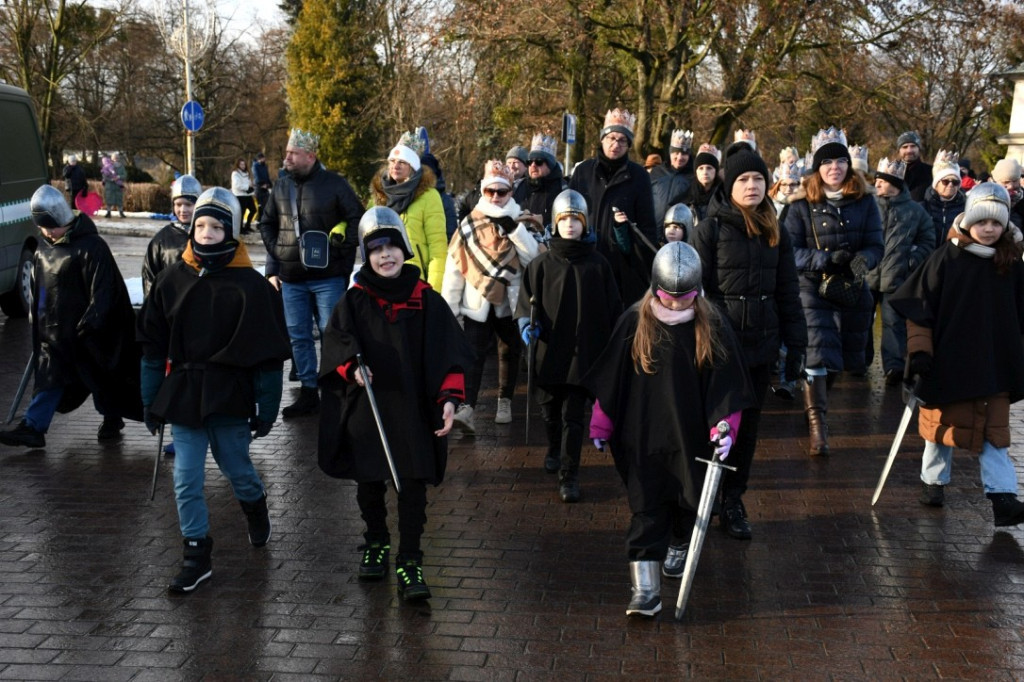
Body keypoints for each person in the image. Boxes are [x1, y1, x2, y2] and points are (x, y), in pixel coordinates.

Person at [582, 241, 755, 617]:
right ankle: (645, 590)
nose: (676, 304)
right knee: (645, 507)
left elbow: (728, 385)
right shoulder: (634, 321)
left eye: (685, 297)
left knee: (685, 504)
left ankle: (679, 541)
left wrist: (726, 424)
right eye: (668, 296)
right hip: (641, 436)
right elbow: (612, 379)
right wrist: (602, 420)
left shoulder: (713, 324)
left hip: (691, 435)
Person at [138, 187, 291, 593]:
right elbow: (153, 348)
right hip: (186, 391)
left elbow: (267, 356)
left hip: (229, 392)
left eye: (216, 226)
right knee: (186, 478)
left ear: (232, 231)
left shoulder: (251, 286)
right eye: (200, 224)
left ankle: (255, 506)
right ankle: (196, 553)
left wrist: (267, 407)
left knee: (237, 470)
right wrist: (150, 400)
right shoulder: (173, 278)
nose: (205, 232)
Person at [317, 207, 473, 602]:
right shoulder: (354, 300)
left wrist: (450, 399)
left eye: (391, 248)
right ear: (366, 256)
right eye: (376, 250)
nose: (385, 256)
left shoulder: (427, 301)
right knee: (370, 483)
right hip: (369, 410)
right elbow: (338, 343)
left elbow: (451, 353)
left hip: (415, 411)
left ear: (404, 250)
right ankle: (376, 541)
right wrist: (351, 367)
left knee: (412, 487)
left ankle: (410, 559)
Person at [690, 142, 807, 542]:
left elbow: (788, 290)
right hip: (721, 345)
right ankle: (699, 497)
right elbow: (695, 290)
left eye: (759, 178)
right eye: (744, 179)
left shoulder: (776, 228)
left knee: (750, 430)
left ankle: (733, 500)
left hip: (762, 344)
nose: (752, 186)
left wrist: (797, 344)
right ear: (729, 183)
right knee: (717, 426)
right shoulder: (710, 228)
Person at [889, 183, 1024, 527]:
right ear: (968, 221)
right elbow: (920, 311)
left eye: (996, 223)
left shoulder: (1012, 264)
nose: (989, 229)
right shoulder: (945, 259)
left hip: (994, 365)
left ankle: (1004, 498)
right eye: (983, 221)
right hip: (948, 362)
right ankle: (933, 482)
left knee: (994, 434)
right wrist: (919, 352)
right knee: (940, 430)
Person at [0, 185, 141, 448]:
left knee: (104, 379)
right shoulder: (43, 250)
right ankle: (33, 426)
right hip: (55, 336)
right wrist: (38, 324)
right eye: (43, 227)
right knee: (51, 378)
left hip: (88, 333)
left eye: (52, 225)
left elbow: (105, 289)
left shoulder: (92, 248)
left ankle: (112, 417)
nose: (48, 232)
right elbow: (39, 291)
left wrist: (91, 323)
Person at [517, 189, 622, 501]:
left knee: (573, 418)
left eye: (576, 220)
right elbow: (525, 302)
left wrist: (610, 344)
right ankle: (553, 448)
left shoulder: (598, 265)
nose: (571, 226)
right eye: (564, 220)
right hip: (549, 352)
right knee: (550, 411)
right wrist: (526, 324)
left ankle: (569, 475)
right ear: (555, 223)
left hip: (582, 355)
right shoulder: (540, 265)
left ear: (585, 223)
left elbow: (613, 307)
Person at [784, 127, 883, 456]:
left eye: (841, 161)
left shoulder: (866, 201)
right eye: (828, 163)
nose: (835, 168)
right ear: (818, 168)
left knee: (842, 356)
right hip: (812, 287)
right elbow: (791, 251)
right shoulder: (800, 205)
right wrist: (824, 258)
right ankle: (818, 427)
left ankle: (816, 401)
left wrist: (859, 263)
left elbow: (875, 245)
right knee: (817, 354)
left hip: (851, 287)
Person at [259, 128, 365, 418]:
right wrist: (277, 258)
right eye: (287, 152)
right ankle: (308, 391)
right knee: (298, 337)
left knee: (333, 333)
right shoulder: (281, 187)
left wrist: (342, 258)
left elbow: (356, 217)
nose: (287, 157)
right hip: (291, 279)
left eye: (293, 153)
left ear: (310, 155)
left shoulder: (335, 184)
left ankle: (335, 389)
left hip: (328, 278)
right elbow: (266, 224)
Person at [443, 160, 540, 434]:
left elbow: (534, 259)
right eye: (490, 192)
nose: (496, 197)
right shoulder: (469, 223)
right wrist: (448, 310)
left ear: (511, 192)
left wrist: (515, 231)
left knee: (509, 352)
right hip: (477, 302)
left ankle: (505, 402)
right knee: (472, 355)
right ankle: (468, 408)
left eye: (502, 192)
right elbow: (455, 267)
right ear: (483, 191)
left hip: (511, 302)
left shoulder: (522, 220)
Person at [568, 108, 658, 304]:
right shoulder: (583, 172)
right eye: (611, 138)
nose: (615, 144)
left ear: (628, 145)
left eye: (622, 140)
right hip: (583, 261)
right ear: (602, 139)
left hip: (620, 270)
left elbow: (647, 226)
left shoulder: (639, 176)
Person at [865, 157, 935, 385]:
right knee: (862, 319)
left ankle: (893, 367)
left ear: (894, 183)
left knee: (893, 323)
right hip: (867, 275)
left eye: (881, 181)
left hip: (896, 277)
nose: (876, 184)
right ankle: (858, 362)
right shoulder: (868, 205)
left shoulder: (915, 211)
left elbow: (928, 239)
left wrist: (910, 262)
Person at [369, 130, 448, 290]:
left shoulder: (429, 196)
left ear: (412, 166)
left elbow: (437, 249)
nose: (395, 166)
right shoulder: (379, 196)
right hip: (383, 279)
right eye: (392, 161)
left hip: (416, 281)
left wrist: (433, 291)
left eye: (402, 162)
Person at [141, 175, 202, 298]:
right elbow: (150, 278)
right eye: (178, 204)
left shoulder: (208, 236)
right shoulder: (161, 240)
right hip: (169, 308)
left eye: (188, 204)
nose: (183, 209)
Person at [513, 132, 566, 233]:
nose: (533, 165)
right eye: (529, 161)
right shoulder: (516, 187)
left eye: (539, 162)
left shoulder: (563, 189)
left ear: (550, 165)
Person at [920, 150, 966, 247]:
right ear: (936, 183)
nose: (950, 185)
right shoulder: (921, 208)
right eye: (945, 181)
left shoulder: (966, 210)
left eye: (955, 182)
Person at [651, 129, 694, 224]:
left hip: (678, 230)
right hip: (653, 227)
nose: (679, 157)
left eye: (684, 154)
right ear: (670, 153)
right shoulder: (657, 172)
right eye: (676, 153)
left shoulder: (693, 177)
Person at [685, 144, 722, 222]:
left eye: (709, 168)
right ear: (696, 172)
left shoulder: (724, 198)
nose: (705, 172)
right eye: (701, 168)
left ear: (716, 171)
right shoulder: (685, 199)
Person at [896, 131, 932, 201]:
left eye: (913, 146)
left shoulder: (930, 172)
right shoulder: (890, 172)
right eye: (905, 147)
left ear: (919, 148)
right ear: (899, 150)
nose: (909, 150)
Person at [990, 157, 1024, 229]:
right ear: (996, 181)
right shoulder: (987, 201)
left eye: (1015, 181)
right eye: (1005, 182)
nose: (1011, 186)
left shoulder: (1022, 201)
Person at [231, 157, 257, 234]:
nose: (243, 166)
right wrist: (247, 186)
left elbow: (249, 183)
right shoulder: (235, 173)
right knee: (241, 213)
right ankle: (240, 229)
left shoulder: (246, 173)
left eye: (244, 164)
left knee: (253, 210)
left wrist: (251, 187)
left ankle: (247, 226)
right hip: (239, 195)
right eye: (241, 164)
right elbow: (237, 185)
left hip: (247, 195)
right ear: (238, 165)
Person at [101, 152, 126, 217]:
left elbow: (125, 175)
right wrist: (111, 179)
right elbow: (104, 176)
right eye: (114, 158)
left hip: (118, 186)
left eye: (117, 158)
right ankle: (108, 212)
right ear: (111, 158)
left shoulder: (121, 166)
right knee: (109, 199)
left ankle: (121, 212)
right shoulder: (107, 166)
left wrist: (118, 177)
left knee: (119, 200)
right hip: (110, 186)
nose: (116, 159)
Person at [252, 152, 272, 224]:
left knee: (267, 205)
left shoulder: (265, 166)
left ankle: (265, 220)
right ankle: (259, 221)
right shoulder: (255, 166)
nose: (264, 160)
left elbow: (267, 175)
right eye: (262, 158)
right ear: (259, 159)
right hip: (259, 187)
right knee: (260, 205)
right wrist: (262, 184)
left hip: (265, 187)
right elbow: (257, 177)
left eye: (264, 158)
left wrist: (269, 184)